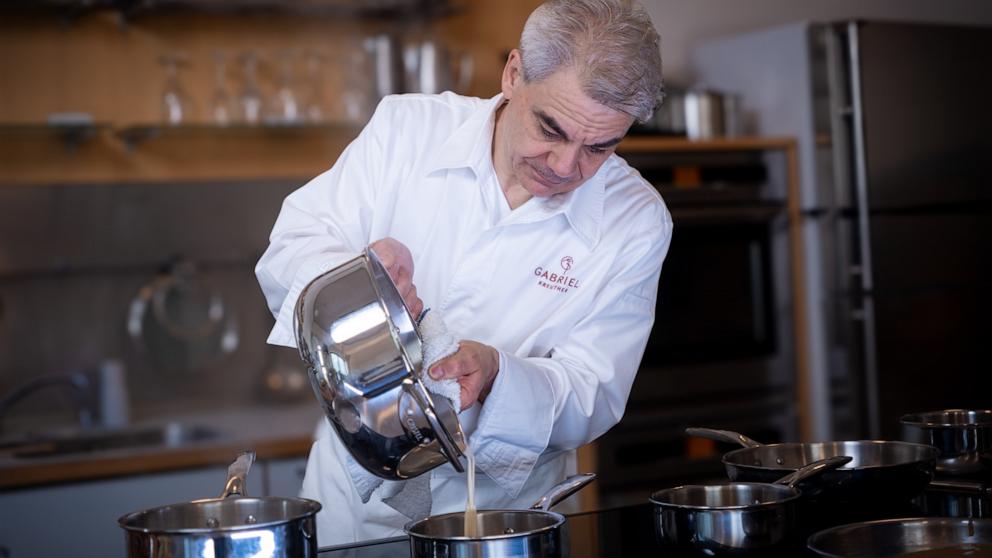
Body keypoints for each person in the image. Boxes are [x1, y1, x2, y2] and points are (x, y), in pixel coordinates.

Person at [256, 0, 672, 545]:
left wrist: (499, 373)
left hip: (504, 522)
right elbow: (291, 246)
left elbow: (592, 393)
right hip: (350, 508)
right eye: (550, 128)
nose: (566, 167)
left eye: (600, 147)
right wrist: (359, 288)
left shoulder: (636, 219)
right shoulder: (408, 130)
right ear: (514, 74)